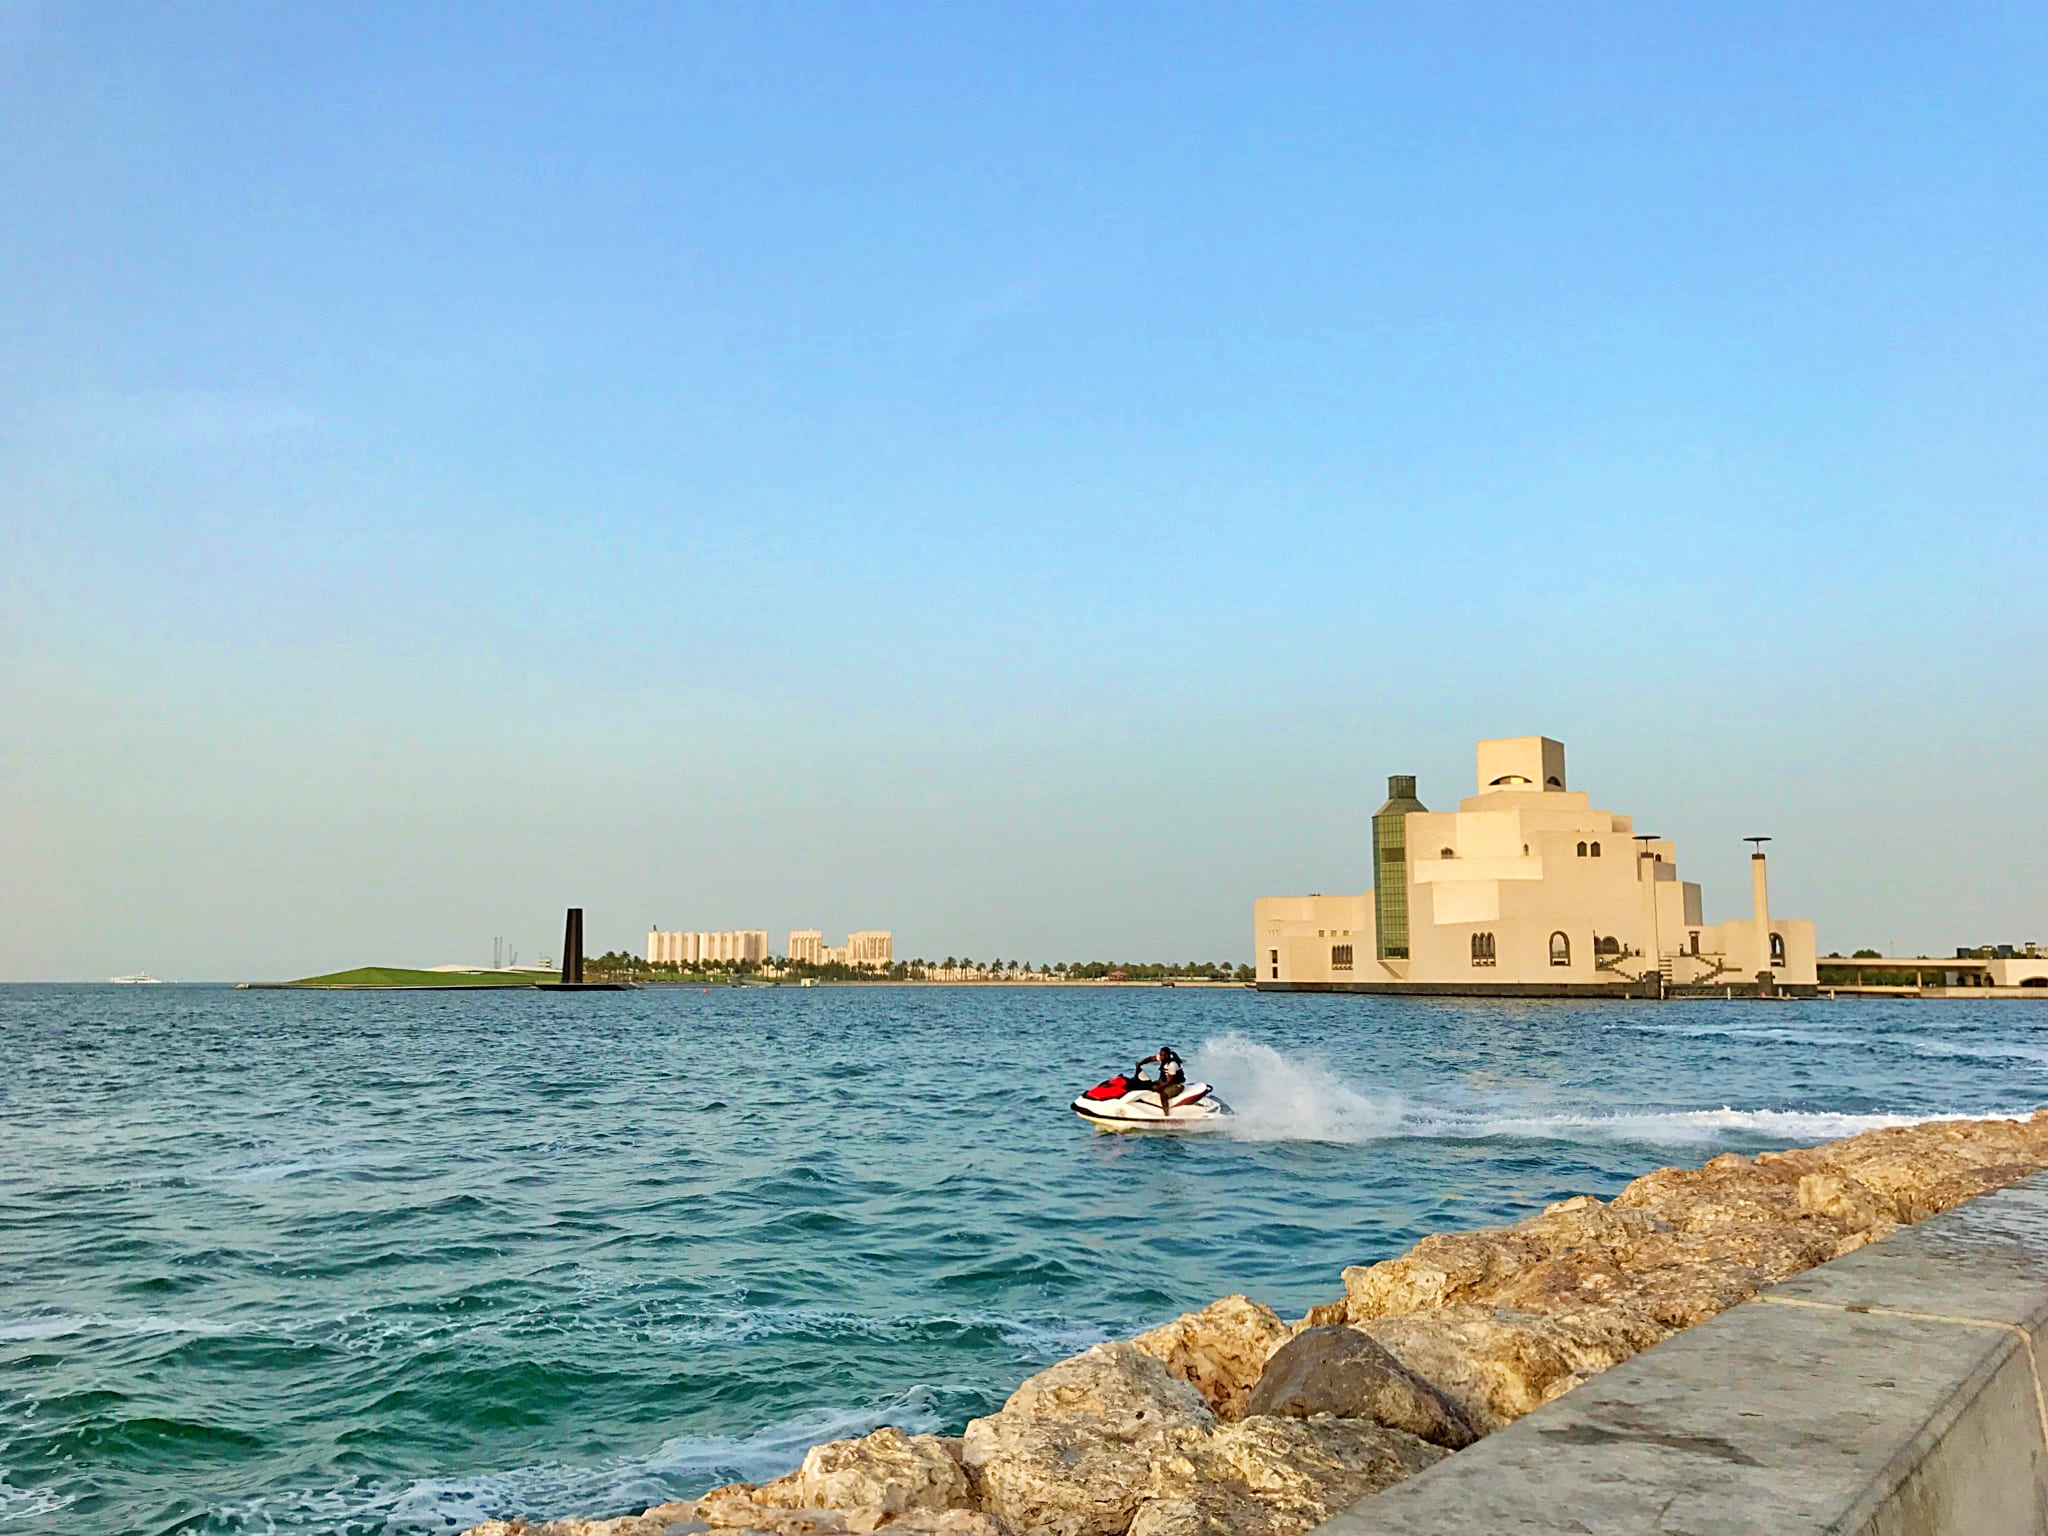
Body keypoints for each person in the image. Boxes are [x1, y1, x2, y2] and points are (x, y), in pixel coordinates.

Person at [1133, 1045, 1185, 1115]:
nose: (1160, 1057)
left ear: (1167, 1056)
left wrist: (1160, 1086)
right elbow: (1151, 1059)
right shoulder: (1162, 1057)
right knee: (1147, 1085)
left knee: (1163, 1093)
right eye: (1160, 1055)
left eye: (1162, 1055)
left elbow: (1170, 1081)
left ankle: (1166, 1114)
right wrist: (1140, 1063)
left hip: (1176, 1084)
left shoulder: (1172, 1064)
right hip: (1165, 1081)